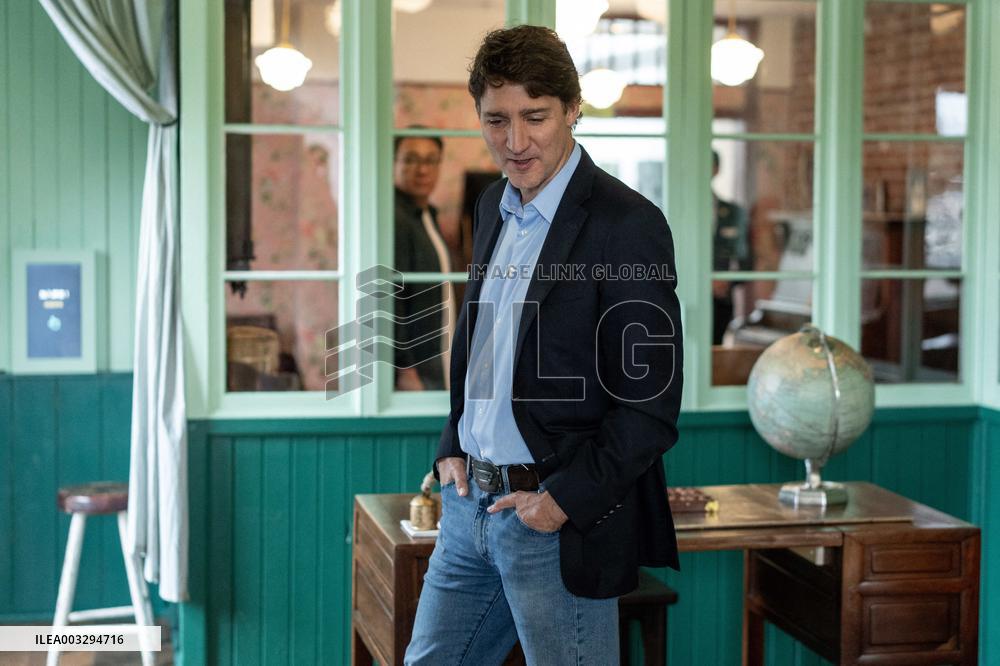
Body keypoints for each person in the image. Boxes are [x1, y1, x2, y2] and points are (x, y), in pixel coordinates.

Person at [405, 25, 684, 665]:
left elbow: (651, 408)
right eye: (496, 120)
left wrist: (560, 505)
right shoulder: (489, 205)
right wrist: (454, 438)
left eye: (536, 117)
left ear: (572, 110)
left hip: (552, 521)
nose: (516, 141)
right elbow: (483, 340)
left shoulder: (627, 224)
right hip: (467, 507)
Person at [393, 131, 454, 391]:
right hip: (413, 367)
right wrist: (404, 367)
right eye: (411, 160)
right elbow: (389, 295)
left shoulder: (427, 214)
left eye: (431, 160)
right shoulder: (395, 218)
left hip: (436, 351)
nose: (422, 170)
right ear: (393, 163)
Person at [711, 149, 752, 344]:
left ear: (716, 169)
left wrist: (726, 281)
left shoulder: (734, 213)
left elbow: (745, 262)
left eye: (708, 165)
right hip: (681, 298)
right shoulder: (671, 210)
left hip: (720, 303)